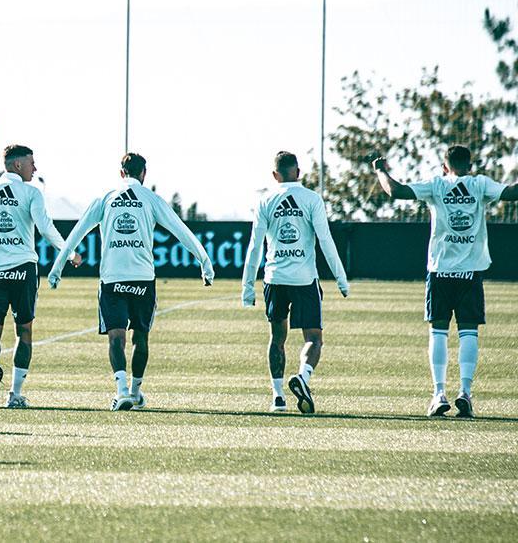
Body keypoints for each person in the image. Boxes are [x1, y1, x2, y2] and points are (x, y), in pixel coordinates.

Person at [48, 152, 214, 412]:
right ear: (144, 174)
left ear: (121, 172)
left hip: (112, 278)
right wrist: (205, 262)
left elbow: (76, 232)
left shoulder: (106, 198)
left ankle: (122, 391)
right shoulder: (150, 198)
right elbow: (180, 229)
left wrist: (57, 269)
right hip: (143, 278)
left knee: (116, 337)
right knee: (141, 337)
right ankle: (135, 393)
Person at [374, 145, 518, 418]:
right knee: (469, 332)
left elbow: (396, 191)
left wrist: (381, 170)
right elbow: (512, 193)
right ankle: (465, 392)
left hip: (440, 270)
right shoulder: (479, 184)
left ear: (444, 166)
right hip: (471, 271)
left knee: (438, 330)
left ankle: (438, 394)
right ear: (470, 166)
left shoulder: (437, 184)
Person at [0, 144, 79, 409]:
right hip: (23, 270)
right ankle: (15, 394)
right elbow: (46, 228)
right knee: (24, 332)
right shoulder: (31, 192)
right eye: (31, 163)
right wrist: (69, 253)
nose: (35, 168)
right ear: (17, 165)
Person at [241, 151, 350, 415]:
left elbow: (255, 246)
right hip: (304, 280)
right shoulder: (312, 199)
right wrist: (341, 278)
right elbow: (326, 240)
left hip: (275, 279)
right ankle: (302, 377)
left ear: (275, 175)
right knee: (314, 338)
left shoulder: (266, 200)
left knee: (277, 338)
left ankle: (278, 397)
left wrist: (247, 287)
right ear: (298, 172)